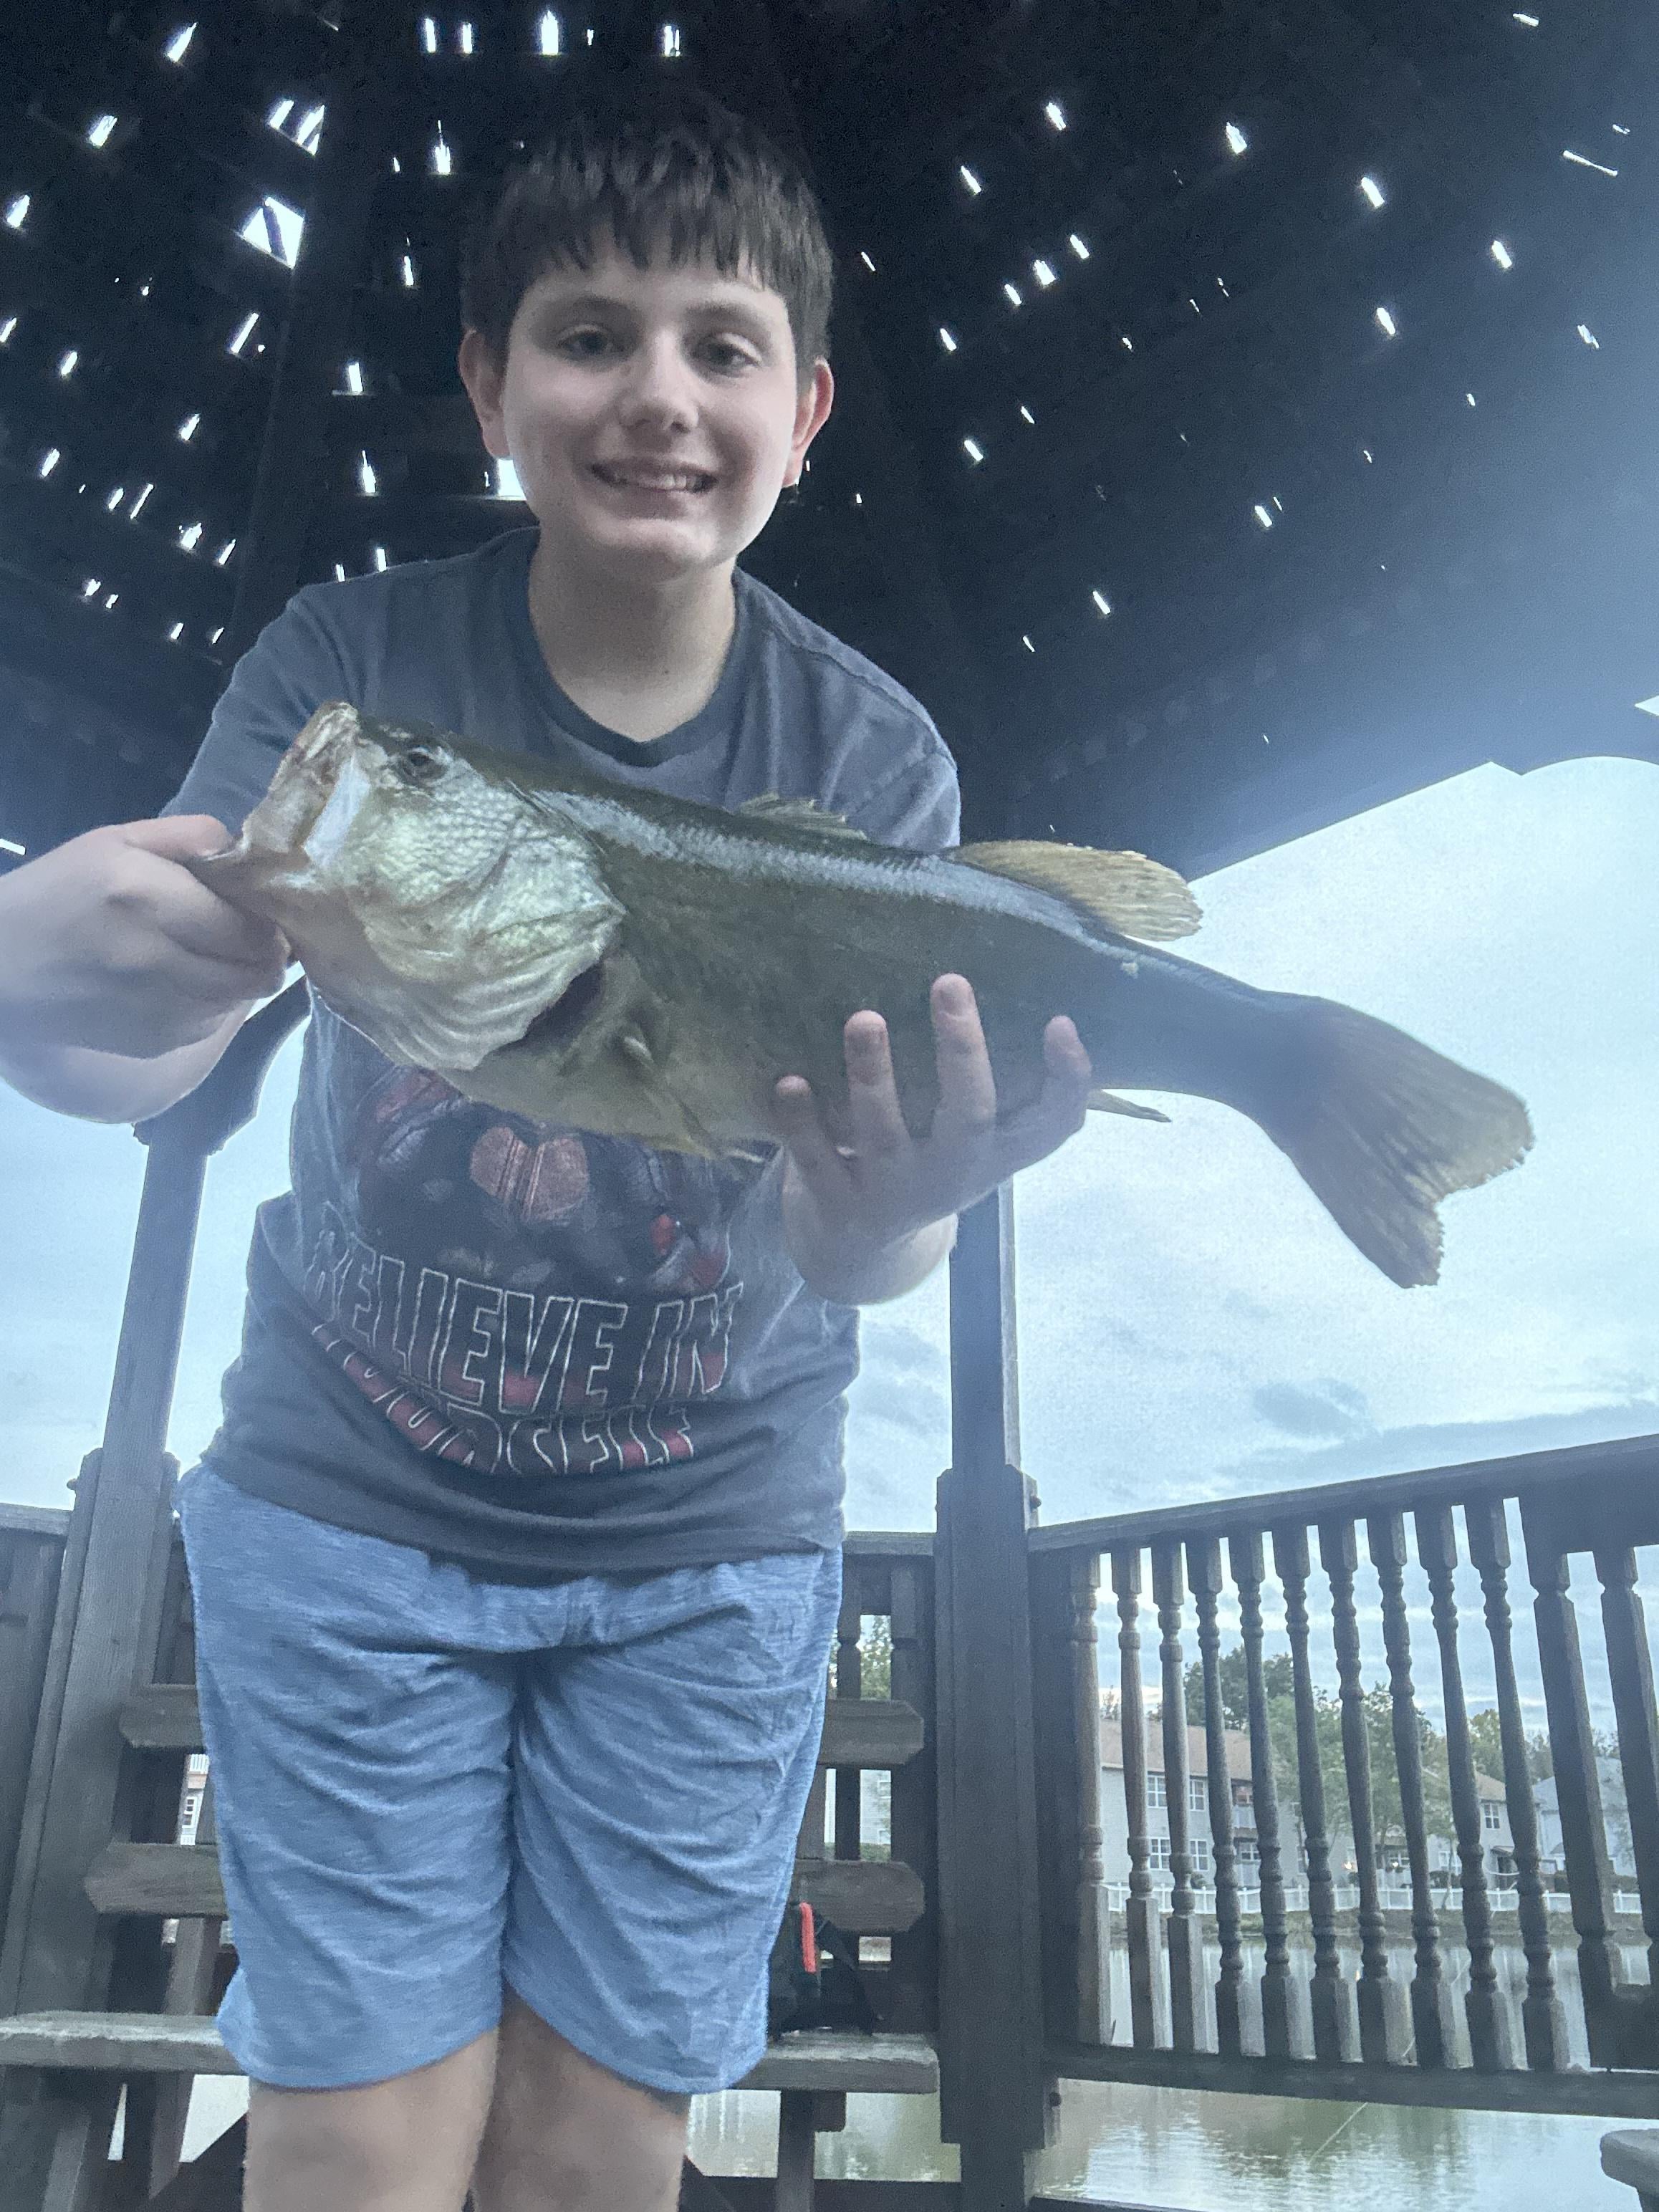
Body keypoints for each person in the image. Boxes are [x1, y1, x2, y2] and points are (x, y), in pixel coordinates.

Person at [0, 86, 1092, 2212]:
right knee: (356, 2127)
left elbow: (862, 1255)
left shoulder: (874, 754)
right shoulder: (352, 670)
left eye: (721, 346)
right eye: (590, 338)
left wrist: (896, 1216)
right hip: (343, 1508)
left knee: (599, 2142)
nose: (657, 394)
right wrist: (38, 971)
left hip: (708, 1546)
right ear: (491, 388)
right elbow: (164, 1058)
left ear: (804, 411)